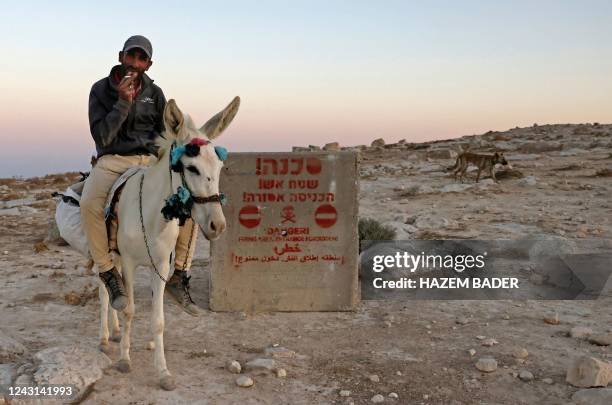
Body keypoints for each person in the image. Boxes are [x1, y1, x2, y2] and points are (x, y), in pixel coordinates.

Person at [81, 35, 201, 316]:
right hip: (113, 159)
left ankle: (179, 273)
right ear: (121, 55)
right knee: (89, 204)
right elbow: (102, 136)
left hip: (149, 161)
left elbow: (166, 133)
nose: (135, 63)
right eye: (131, 56)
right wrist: (122, 103)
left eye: (141, 58)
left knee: (188, 201)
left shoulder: (155, 93)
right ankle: (108, 271)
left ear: (149, 63)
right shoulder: (100, 90)